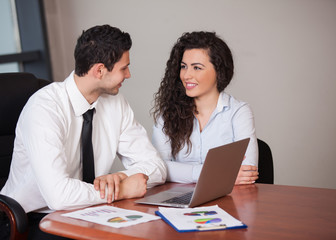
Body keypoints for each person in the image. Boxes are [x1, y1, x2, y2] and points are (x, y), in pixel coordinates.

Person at [0, 25, 166, 239]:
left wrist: (119, 178)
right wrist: (122, 190)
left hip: (89, 210)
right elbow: (58, 197)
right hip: (33, 220)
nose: (129, 74)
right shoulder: (44, 108)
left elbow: (157, 168)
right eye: (123, 68)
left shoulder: (116, 104)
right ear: (99, 70)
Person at [152, 31, 258, 185]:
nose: (186, 75)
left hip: (227, 200)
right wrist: (213, 173)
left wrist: (182, 172)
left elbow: (247, 171)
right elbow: (157, 168)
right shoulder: (168, 114)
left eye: (197, 68)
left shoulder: (239, 112)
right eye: (183, 66)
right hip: (176, 200)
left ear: (219, 71)